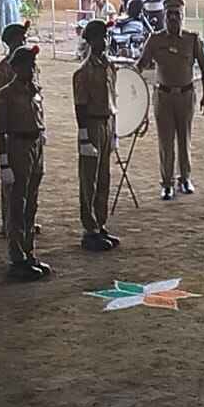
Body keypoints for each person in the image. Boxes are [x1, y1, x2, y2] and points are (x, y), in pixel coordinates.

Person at [135, 0, 204, 201]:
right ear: (164, 16)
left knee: (184, 139)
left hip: (186, 95)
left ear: (183, 16)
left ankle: (184, 178)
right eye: (169, 14)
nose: (173, 18)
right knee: (165, 141)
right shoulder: (155, 40)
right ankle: (167, 183)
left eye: (177, 14)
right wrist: (129, 79)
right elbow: (141, 64)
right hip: (163, 96)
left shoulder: (192, 40)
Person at [0, 44, 50, 280]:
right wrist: (4, 163)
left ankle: (28, 251)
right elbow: (0, 131)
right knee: (17, 203)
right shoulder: (5, 95)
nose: (31, 69)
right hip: (17, 146)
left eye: (33, 65)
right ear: (16, 67)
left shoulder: (34, 90)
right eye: (27, 65)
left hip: (35, 145)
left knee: (31, 203)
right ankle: (16, 256)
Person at [73, 20, 119, 252]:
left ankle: (100, 223)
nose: (105, 41)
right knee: (89, 179)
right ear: (91, 41)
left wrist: (115, 130)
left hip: (106, 121)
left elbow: (113, 98)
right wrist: (83, 136)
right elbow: (80, 106)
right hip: (91, 124)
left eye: (106, 37)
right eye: (101, 37)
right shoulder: (83, 72)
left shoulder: (109, 66)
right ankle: (89, 228)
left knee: (103, 177)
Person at [0, 22, 29, 235]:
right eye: (21, 39)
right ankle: (9, 222)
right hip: (11, 128)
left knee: (27, 179)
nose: (24, 41)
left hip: (28, 124)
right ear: (11, 42)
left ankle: (23, 220)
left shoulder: (30, 65)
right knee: (11, 180)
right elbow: (1, 100)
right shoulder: (2, 69)